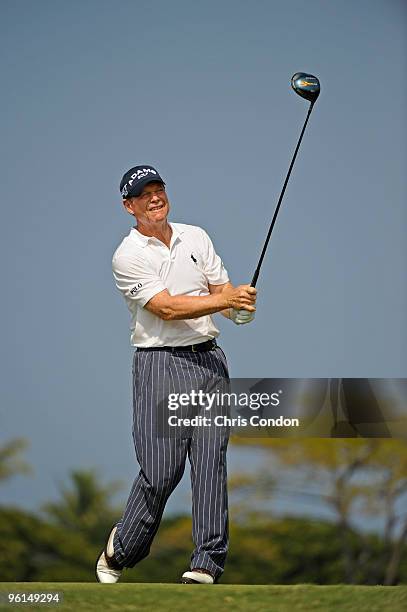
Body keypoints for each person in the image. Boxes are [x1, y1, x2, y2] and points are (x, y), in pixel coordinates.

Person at [95, 165, 257, 585]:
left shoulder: (196, 237)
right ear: (128, 206)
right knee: (162, 470)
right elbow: (165, 308)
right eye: (144, 193)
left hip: (209, 362)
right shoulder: (127, 256)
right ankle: (123, 548)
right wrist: (222, 298)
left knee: (209, 462)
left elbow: (221, 296)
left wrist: (237, 305)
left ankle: (207, 562)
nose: (154, 197)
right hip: (159, 364)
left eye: (159, 188)